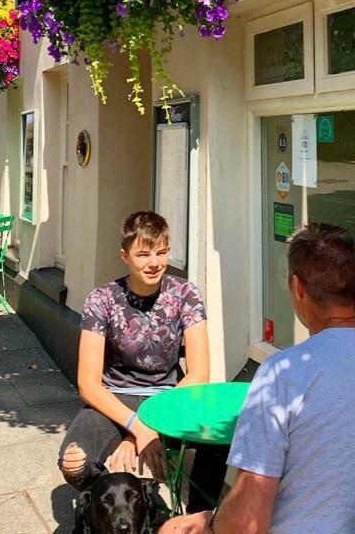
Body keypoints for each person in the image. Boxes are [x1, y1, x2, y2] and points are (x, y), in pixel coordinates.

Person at [161, 223, 355, 533]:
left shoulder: (282, 373)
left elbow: (248, 522)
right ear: (354, 285)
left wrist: (210, 525)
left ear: (297, 287)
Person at [58, 210, 227, 511]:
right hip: (114, 397)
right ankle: (113, 513)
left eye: (161, 253)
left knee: (217, 442)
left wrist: (148, 428)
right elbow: (88, 384)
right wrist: (136, 428)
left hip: (169, 397)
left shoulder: (185, 294)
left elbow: (200, 372)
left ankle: (199, 521)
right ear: (124, 255)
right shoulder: (102, 299)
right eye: (143, 254)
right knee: (75, 464)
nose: (154, 263)